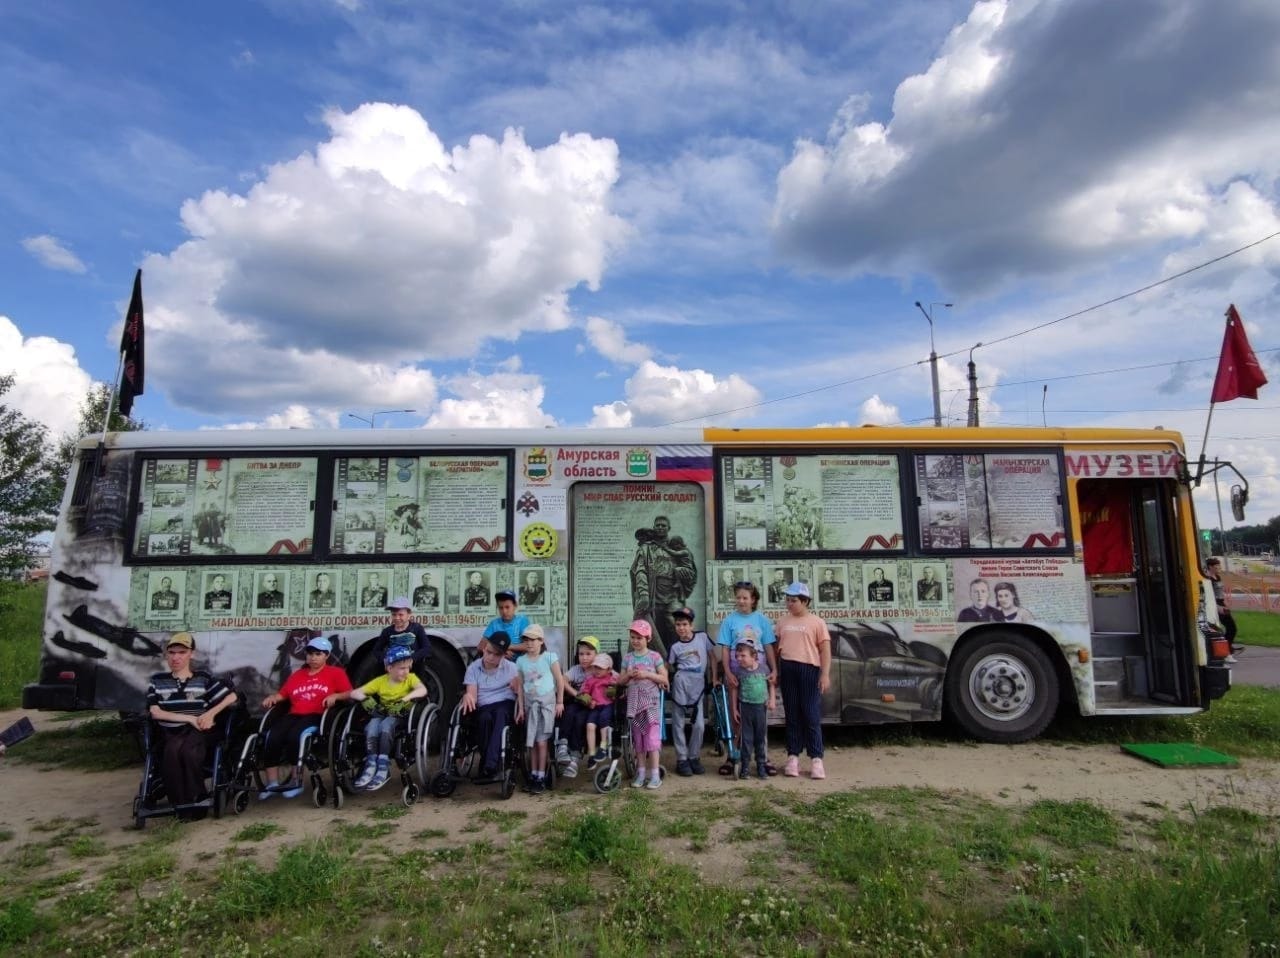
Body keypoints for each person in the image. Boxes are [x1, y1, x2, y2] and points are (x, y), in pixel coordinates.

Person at [145, 632, 238, 821]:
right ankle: (180, 803)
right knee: (172, 751)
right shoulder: (157, 680)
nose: (176, 657)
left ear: (191, 654)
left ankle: (197, 798)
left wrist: (210, 713)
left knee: (188, 750)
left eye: (181, 652)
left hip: (199, 730)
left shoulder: (202, 678)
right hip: (170, 730)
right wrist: (188, 719)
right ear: (166, 655)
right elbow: (155, 712)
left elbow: (232, 697)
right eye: (172, 653)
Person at [257, 636, 351, 799]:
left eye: (317, 654)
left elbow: (349, 693)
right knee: (272, 736)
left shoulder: (336, 673)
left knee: (296, 737)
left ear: (326, 655)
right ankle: (272, 783)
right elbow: (283, 694)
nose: (312, 658)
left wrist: (336, 696)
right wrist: (273, 698)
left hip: (317, 715)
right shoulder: (298, 675)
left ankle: (296, 781)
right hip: (294, 714)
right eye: (310, 654)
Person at [328, 646, 425, 790]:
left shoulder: (411, 679)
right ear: (389, 667)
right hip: (383, 712)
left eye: (407, 667)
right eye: (401, 668)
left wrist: (406, 699)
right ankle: (371, 762)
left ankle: (383, 766)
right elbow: (355, 693)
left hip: (401, 715)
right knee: (371, 727)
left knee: (385, 726)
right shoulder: (381, 681)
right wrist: (366, 699)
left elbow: (422, 690)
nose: (405, 671)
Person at [774, 582, 831, 780]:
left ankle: (816, 759)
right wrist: (775, 671)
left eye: (794, 600)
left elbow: (825, 650)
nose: (789, 604)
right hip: (788, 668)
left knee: (810, 713)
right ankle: (793, 757)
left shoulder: (817, 622)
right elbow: (775, 649)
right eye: (788, 600)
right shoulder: (782, 622)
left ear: (805, 601)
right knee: (792, 715)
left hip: (809, 669)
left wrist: (824, 674)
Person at [630, 515, 697, 655]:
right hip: (654, 594)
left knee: (675, 625)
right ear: (654, 527)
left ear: (669, 528)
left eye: (663, 525)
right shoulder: (646, 548)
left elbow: (691, 570)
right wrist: (643, 594)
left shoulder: (676, 546)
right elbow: (639, 570)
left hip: (673, 594)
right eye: (658, 525)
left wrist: (682, 572)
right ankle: (659, 664)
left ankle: (678, 659)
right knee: (655, 630)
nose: (660, 527)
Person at [460, 631, 519, 782]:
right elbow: (472, 695)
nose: (491, 657)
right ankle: (489, 764)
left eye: (497, 655)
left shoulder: (512, 668)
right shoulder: (473, 668)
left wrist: (518, 686)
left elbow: (521, 692)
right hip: (484, 705)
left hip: (505, 703)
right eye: (489, 652)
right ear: (484, 648)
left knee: (500, 714)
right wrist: (467, 696)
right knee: (484, 718)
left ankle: (490, 765)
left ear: (504, 655)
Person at [617, 619, 669, 789]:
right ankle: (640, 773)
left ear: (648, 638)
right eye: (633, 637)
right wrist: (629, 675)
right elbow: (620, 680)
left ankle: (654, 775)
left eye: (639, 637)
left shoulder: (655, 657)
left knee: (652, 740)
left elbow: (664, 678)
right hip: (634, 704)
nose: (635, 641)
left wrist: (647, 674)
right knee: (638, 742)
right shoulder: (628, 658)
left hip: (651, 704)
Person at [513, 624, 564, 794]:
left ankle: (541, 775)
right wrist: (521, 708)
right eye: (526, 640)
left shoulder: (550, 657)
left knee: (542, 742)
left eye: (533, 640)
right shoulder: (521, 661)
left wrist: (560, 702)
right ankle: (533, 774)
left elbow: (560, 680)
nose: (529, 644)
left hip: (546, 705)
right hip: (530, 705)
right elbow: (520, 686)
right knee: (532, 742)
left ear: (541, 641)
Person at [667, 607, 712, 776]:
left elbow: (712, 657)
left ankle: (694, 756)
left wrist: (714, 678)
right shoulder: (675, 646)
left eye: (685, 624)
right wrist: (666, 679)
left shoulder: (702, 637)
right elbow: (668, 665)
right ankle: (682, 759)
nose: (681, 628)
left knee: (699, 724)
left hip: (698, 682)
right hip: (681, 681)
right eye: (678, 624)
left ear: (691, 625)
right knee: (678, 721)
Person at [729, 638, 775, 779]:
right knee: (746, 739)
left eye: (743, 656)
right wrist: (734, 708)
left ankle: (761, 766)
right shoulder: (739, 672)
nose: (739, 659)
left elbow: (771, 684)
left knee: (760, 738)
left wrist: (772, 699)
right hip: (745, 708)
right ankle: (745, 767)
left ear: (754, 656)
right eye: (737, 656)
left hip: (761, 708)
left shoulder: (764, 669)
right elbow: (735, 690)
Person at [558, 635, 601, 777]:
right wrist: (576, 694)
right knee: (568, 712)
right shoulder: (576, 669)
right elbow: (563, 680)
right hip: (577, 701)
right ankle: (562, 745)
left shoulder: (600, 670)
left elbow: (615, 678)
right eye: (581, 654)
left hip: (591, 706)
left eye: (588, 654)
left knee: (580, 721)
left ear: (597, 655)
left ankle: (575, 757)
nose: (584, 658)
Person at [580, 653, 618, 770]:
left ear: (609, 669)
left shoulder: (612, 678)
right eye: (595, 667)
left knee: (603, 722)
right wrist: (588, 700)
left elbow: (620, 688)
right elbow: (584, 692)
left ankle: (603, 746)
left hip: (607, 705)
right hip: (595, 706)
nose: (597, 670)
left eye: (600, 668)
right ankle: (591, 754)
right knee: (590, 725)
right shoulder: (590, 680)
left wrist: (614, 690)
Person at [371, 597, 432, 664]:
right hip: (395, 671)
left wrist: (411, 659)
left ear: (409, 615)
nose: (397, 618)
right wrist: (386, 659)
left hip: (414, 670)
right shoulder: (387, 631)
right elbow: (376, 650)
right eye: (394, 614)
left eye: (401, 615)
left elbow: (427, 648)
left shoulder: (417, 628)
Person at [477, 590, 530, 657]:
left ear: (515, 605)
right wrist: (501, 652)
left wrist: (504, 647)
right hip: (498, 665)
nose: (504, 611)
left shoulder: (522, 621)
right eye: (501, 608)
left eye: (507, 607)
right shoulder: (494, 624)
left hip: (519, 665)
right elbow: (481, 647)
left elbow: (528, 646)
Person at [1206, 557, 1239, 661]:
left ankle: (1226, 649)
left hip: (1221, 603)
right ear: (1210, 567)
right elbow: (1209, 595)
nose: (1218, 568)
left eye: (1219, 566)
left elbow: (1220, 592)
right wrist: (1218, 607)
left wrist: (1225, 603)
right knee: (1230, 628)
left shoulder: (1218, 577)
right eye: (1216, 566)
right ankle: (1226, 652)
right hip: (1215, 605)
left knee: (1231, 628)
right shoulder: (1208, 579)